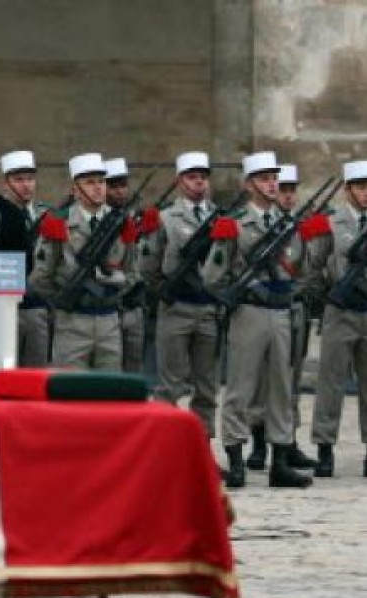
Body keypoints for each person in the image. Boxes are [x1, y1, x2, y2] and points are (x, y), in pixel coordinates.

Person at [202, 151, 311, 489]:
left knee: (281, 385)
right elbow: (212, 275)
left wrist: (288, 289)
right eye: (263, 179)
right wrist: (245, 289)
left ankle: (280, 459)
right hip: (248, 312)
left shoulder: (288, 224)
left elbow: (305, 270)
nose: (271, 184)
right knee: (240, 385)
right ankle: (236, 458)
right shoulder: (233, 225)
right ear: (248, 184)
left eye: (273, 178)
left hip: (280, 311)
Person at [140, 151, 220, 442]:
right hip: (176, 307)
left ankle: (202, 447)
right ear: (179, 181)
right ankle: (164, 447)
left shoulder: (220, 218)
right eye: (191, 177)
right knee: (169, 385)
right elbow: (148, 266)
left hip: (208, 309)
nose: (198, 183)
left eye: (202, 177)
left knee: (207, 386)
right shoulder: (165, 218)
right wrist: (164, 289)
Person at [31, 153, 137, 369]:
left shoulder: (122, 222)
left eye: (101, 182)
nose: (97, 188)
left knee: (107, 395)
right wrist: (66, 299)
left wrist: (112, 288)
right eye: (89, 182)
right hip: (72, 320)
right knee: (70, 393)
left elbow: (133, 272)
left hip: (109, 320)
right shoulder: (58, 222)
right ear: (75, 190)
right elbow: (41, 277)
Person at [246, 164, 319, 472]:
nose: (287, 196)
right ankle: (259, 440)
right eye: (283, 189)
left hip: (295, 307)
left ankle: (288, 441)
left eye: (291, 190)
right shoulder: (264, 226)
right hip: (266, 307)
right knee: (262, 379)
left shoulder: (297, 227)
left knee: (290, 378)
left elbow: (311, 268)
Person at [310, 160, 367, 478]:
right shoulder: (332, 223)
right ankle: (324, 447)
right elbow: (315, 263)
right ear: (348, 190)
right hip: (341, 310)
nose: (366, 194)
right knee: (330, 382)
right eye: (360, 187)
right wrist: (327, 298)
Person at [0, 149, 49, 366]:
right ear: (6, 183)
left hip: (37, 306)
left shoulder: (46, 215)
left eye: (30, 179)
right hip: (5, 305)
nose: (26, 185)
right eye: (19, 179)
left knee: (36, 372)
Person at [104, 158, 146, 373]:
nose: (120, 192)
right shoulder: (101, 223)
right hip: (110, 304)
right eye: (113, 186)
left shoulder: (136, 217)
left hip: (134, 305)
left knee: (133, 368)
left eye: (123, 186)